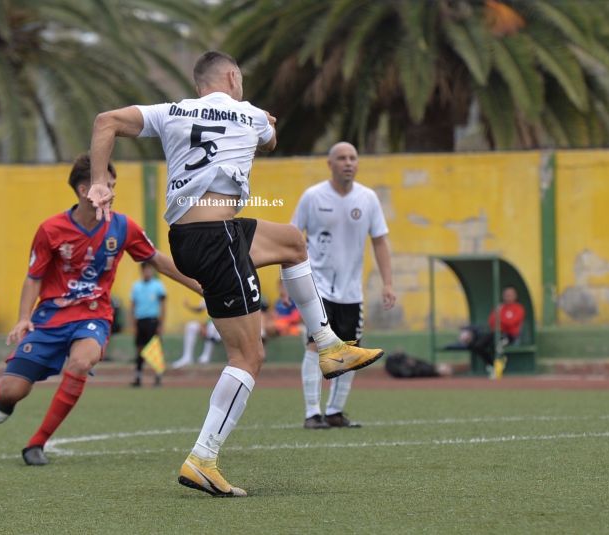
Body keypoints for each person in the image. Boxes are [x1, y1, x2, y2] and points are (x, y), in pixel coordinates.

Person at [87, 50, 385, 497]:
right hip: (216, 239)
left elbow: (104, 121)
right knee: (248, 357)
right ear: (231, 77)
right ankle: (203, 457)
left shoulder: (170, 111)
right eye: (239, 81)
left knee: (291, 241)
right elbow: (270, 139)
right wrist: (264, 123)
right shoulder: (248, 114)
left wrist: (99, 181)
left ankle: (328, 345)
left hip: (192, 237)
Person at [0, 154, 203, 467]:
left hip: (93, 316)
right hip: (49, 319)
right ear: (83, 190)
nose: (113, 193)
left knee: (81, 361)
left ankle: (37, 443)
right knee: (11, 391)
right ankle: (6, 399)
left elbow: (157, 259)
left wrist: (202, 286)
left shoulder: (123, 227)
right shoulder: (50, 230)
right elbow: (33, 277)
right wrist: (24, 318)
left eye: (114, 186)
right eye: (107, 186)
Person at [292, 142, 396, 429]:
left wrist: (388, 283)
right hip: (317, 288)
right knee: (316, 346)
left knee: (350, 348)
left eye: (353, 158)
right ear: (330, 164)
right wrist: (284, 279)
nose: (348, 162)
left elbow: (380, 241)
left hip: (351, 293)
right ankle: (313, 413)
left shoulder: (368, 198)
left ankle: (335, 411)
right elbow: (292, 237)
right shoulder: (312, 197)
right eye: (341, 158)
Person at [446, 286, 526, 379]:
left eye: (510, 295)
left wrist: (500, 320)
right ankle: (491, 366)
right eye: (506, 295)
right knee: (477, 345)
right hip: (496, 333)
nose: (508, 297)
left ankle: (499, 367)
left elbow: (511, 322)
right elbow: (492, 321)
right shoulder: (500, 308)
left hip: (510, 336)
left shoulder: (518, 308)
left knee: (498, 344)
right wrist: (500, 320)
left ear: (515, 296)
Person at [130, 261, 167, 387]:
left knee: (155, 349)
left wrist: (161, 323)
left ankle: (158, 376)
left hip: (153, 321)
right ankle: (138, 377)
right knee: (140, 349)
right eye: (145, 270)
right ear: (142, 271)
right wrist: (134, 324)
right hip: (141, 321)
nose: (148, 272)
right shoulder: (136, 286)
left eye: (150, 270)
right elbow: (133, 306)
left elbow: (163, 305)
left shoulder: (158, 285)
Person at [171, 299, 223, 369]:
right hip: (209, 325)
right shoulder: (207, 292)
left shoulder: (224, 293)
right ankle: (187, 357)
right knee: (191, 326)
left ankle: (206, 357)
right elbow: (200, 309)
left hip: (222, 327)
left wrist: (206, 326)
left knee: (211, 327)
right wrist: (189, 306)